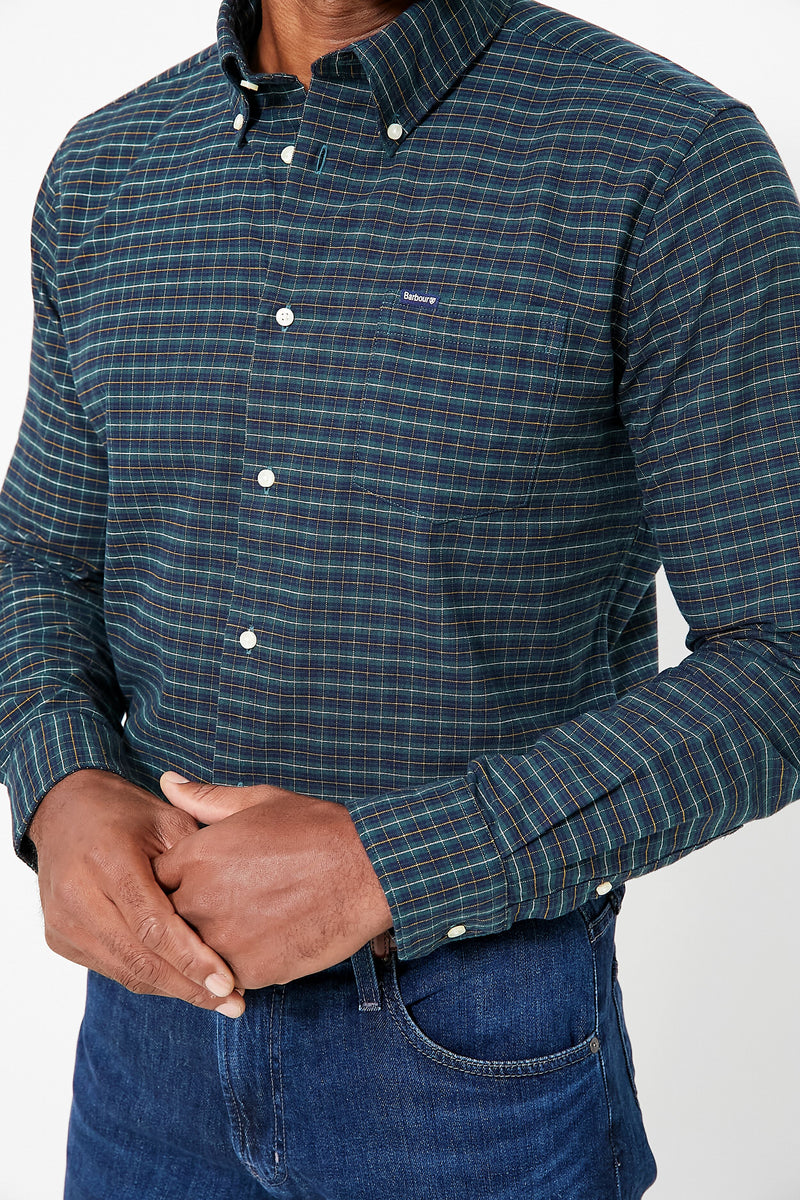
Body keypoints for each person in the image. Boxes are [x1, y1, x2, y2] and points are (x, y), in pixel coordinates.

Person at [2, 0, 799, 1193]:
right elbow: (40, 560)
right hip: (146, 1026)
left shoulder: (663, 159)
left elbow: (781, 655)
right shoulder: (109, 170)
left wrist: (389, 864)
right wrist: (60, 782)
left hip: (472, 1047)